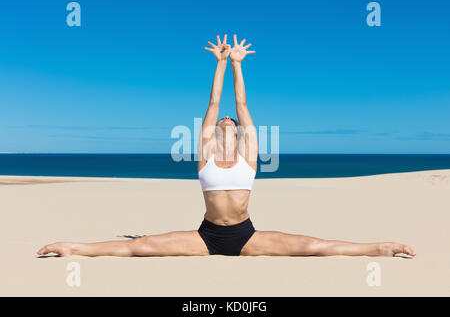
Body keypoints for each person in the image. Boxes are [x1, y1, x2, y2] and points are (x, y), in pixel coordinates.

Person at [37, 34, 415, 258]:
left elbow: (242, 104)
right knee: (140, 248)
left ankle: (378, 248)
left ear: (238, 129)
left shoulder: (250, 154)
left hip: (246, 234)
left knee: (313, 246)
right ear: (216, 131)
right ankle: (75, 248)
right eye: (223, 121)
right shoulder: (205, 154)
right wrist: (218, 63)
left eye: (232, 121)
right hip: (206, 236)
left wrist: (238, 64)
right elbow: (215, 103)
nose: (227, 119)